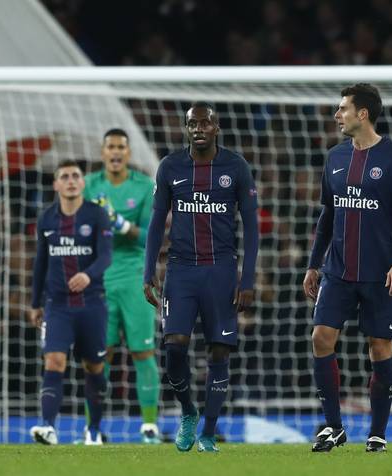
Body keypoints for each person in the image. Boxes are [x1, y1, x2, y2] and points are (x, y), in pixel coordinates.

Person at [302, 83, 392, 453]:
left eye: (342, 109)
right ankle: (334, 427)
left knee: (380, 347)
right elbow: (327, 215)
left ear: (363, 113)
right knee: (320, 337)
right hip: (337, 271)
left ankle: (378, 433)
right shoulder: (336, 157)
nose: (337, 115)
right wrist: (313, 264)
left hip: (379, 273)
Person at [143, 102, 259, 453]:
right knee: (173, 346)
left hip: (221, 269)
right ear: (186, 128)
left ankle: (209, 430)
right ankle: (188, 412)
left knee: (219, 350)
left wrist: (248, 279)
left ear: (216, 127)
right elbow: (155, 223)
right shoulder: (170, 167)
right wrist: (148, 272)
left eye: (205, 123)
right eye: (193, 123)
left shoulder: (235, 167)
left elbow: (252, 228)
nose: (199, 129)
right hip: (180, 269)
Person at [83, 129, 162, 444]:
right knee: (97, 356)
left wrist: (121, 224)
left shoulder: (144, 187)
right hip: (98, 278)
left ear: (128, 153)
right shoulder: (88, 186)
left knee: (143, 352)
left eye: (121, 147)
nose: (116, 152)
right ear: (102, 152)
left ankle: (149, 427)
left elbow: (149, 237)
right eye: (110, 147)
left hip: (134, 277)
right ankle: (93, 430)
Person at [28, 159, 113, 445]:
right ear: (56, 184)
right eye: (64, 176)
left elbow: (106, 256)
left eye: (76, 175)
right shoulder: (47, 219)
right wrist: (34, 302)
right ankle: (48, 427)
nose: (71, 180)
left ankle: (93, 430)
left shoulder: (97, 214)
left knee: (95, 368)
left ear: (83, 182)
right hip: (58, 305)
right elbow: (40, 263)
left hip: (92, 303)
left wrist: (88, 275)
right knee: (53, 360)